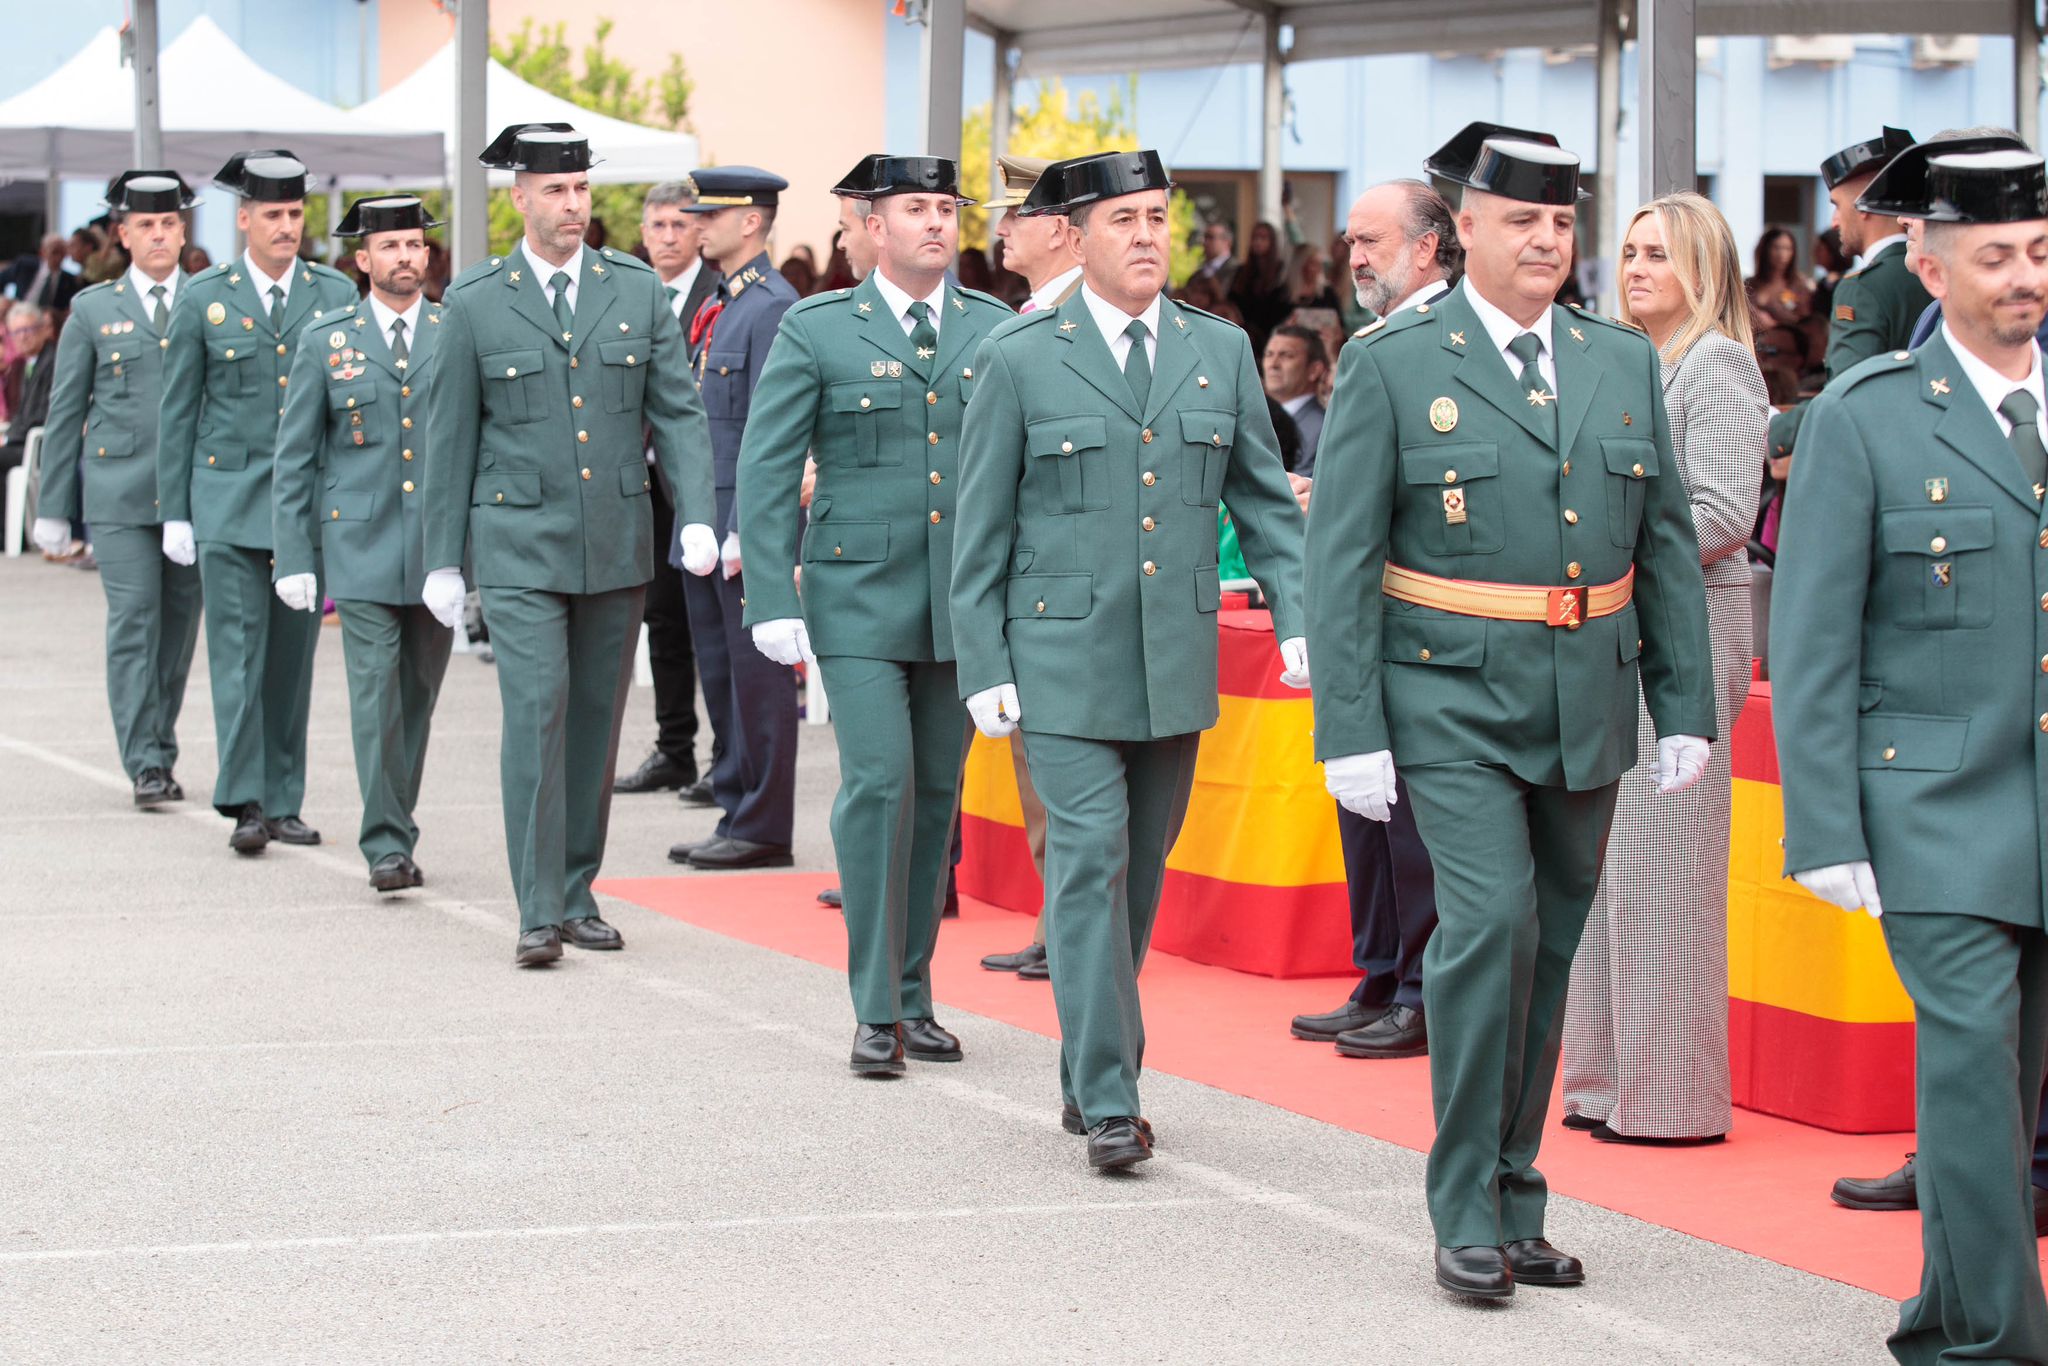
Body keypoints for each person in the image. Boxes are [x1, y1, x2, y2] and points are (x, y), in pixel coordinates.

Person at [1305, 122, 1715, 1298]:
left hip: (1584, 696)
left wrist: (1680, 699)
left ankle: (1513, 1189)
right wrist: (1349, 728)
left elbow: (1666, 545)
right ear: (1463, 231)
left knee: (1546, 948)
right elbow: (1342, 562)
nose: (1545, 239)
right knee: (1486, 929)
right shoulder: (1393, 360)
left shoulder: (1617, 358)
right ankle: (1462, 1206)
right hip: (1445, 694)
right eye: (1520, 219)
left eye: (1559, 220)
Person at [951, 150, 1310, 1169]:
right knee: (1086, 865)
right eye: (1125, 219)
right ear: (1078, 234)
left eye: (1159, 217)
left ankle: (1088, 1061)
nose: (1148, 235)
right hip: (1058, 660)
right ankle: (1111, 1096)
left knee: (1136, 881)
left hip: (1171, 664)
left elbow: (1260, 501)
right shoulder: (1021, 357)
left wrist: (1297, 616)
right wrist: (982, 660)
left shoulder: (1217, 350)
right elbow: (977, 532)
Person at [1773, 137, 2048, 1366]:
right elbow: (1815, 636)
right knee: (1974, 1072)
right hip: (1929, 806)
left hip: (2037, 812)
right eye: (1992, 256)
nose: (2021, 277)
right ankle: (1999, 1342)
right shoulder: (1868, 417)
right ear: (1929, 272)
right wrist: (1823, 826)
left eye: (2037, 252)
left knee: (2015, 1084)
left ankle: (1943, 1316)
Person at [738, 155, 1011, 1073]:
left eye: (946, 207)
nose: (936, 222)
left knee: (937, 796)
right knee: (880, 784)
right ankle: (872, 1007)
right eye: (915, 208)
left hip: (958, 604)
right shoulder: (817, 329)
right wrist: (773, 594)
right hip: (855, 596)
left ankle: (914, 994)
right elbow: (768, 467)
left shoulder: (995, 328)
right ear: (871, 224)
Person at [422, 122, 719, 965]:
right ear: (520, 198)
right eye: (556, 190)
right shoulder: (477, 300)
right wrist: (443, 557)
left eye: (582, 189)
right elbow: (449, 438)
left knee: (594, 720)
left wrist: (695, 508)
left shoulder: (633, 289)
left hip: (614, 542)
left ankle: (579, 888)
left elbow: (676, 409)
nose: (573, 204)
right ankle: (536, 905)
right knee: (536, 712)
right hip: (517, 542)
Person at [1559, 192, 1767, 1144]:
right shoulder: (1635, 361)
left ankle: (1674, 1100)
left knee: (1668, 870)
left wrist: (1608, 544)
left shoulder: (1716, 365)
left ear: (1704, 271)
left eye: (1659, 254)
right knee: (1614, 870)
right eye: (1630, 251)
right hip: (1622, 629)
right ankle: (1606, 1082)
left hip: (1684, 635)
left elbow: (1724, 512)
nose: (1635, 267)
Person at [1288, 177, 1459, 1059]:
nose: (1353, 257)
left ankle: (1422, 989)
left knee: (1414, 825)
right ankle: (1383, 971)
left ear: (1427, 246)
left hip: (1420, 613)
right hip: (1372, 611)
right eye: (1351, 242)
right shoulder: (1377, 341)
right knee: (1370, 814)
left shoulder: (1441, 340)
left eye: (1371, 241)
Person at [157, 150, 358, 856]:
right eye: (271, 214)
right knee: (238, 656)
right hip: (228, 502)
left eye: (295, 214)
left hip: (303, 509)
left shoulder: (334, 296)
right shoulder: (203, 296)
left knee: (291, 661)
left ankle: (283, 798)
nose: (285, 226)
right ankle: (245, 798)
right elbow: (178, 410)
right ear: (243, 219)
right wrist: (175, 509)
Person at [270, 195, 452, 894]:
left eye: (415, 245)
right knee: (376, 694)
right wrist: (294, 555)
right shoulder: (327, 339)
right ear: (362, 260)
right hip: (361, 544)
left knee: (417, 696)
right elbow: (297, 457)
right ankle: (386, 843)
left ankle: (396, 819)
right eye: (391, 246)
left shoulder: (452, 330)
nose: (405, 256)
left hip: (436, 549)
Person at [30, 172, 204, 808]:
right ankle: (147, 761)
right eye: (145, 227)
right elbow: (66, 406)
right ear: (124, 236)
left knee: (179, 629)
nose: (158, 235)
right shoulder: (94, 309)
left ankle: (158, 739)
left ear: (182, 231)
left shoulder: (209, 301)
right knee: (136, 620)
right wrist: (55, 508)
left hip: (191, 497)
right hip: (121, 494)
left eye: (168, 224)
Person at [661, 165, 802, 871]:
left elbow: (769, 432)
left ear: (751, 221)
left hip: (741, 526)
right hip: (705, 521)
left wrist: (750, 524)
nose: (696, 225)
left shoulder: (772, 306)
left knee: (756, 678)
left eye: (709, 215)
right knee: (719, 675)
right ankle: (735, 804)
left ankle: (764, 822)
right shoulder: (722, 302)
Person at [977, 152, 1086, 980]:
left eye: (1015, 215)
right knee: (1035, 773)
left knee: (1067, 778)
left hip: (1074, 597)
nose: (998, 229)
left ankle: (1074, 926)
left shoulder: (1074, 325)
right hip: (1031, 592)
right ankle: (1059, 921)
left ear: (1057, 228)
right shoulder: (1024, 323)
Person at [614, 180, 716, 802]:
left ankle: (723, 757)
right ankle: (674, 747)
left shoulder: (717, 295)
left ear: (700, 231)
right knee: (664, 621)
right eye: (658, 227)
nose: (669, 238)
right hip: (646, 484)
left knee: (712, 627)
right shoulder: (631, 293)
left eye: (680, 226)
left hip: (699, 485)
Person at [1262, 324, 1327, 475]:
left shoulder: (1324, 428)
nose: (1273, 364)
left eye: (1287, 355)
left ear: (1314, 370)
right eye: (1269, 354)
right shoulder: (1258, 417)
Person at [0, 302, 55, 476]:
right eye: (16, 332)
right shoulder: (25, 364)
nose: (22, 337)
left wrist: (7, 438)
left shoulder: (53, 361)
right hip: (21, 443)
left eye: (27, 330)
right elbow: (20, 414)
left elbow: (43, 414)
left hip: (40, 447)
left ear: (43, 330)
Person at [1228, 219, 1290, 352]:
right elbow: (1232, 300)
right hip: (1243, 332)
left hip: (1271, 333)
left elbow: (1281, 307)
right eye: (1255, 237)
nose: (1258, 242)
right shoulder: (1243, 271)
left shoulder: (1281, 271)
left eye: (1263, 238)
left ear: (1272, 242)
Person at [1193, 220, 1237, 292]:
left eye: (1210, 237)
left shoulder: (1236, 272)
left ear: (1227, 242)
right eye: (1205, 237)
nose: (1204, 242)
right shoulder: (1198, 275)